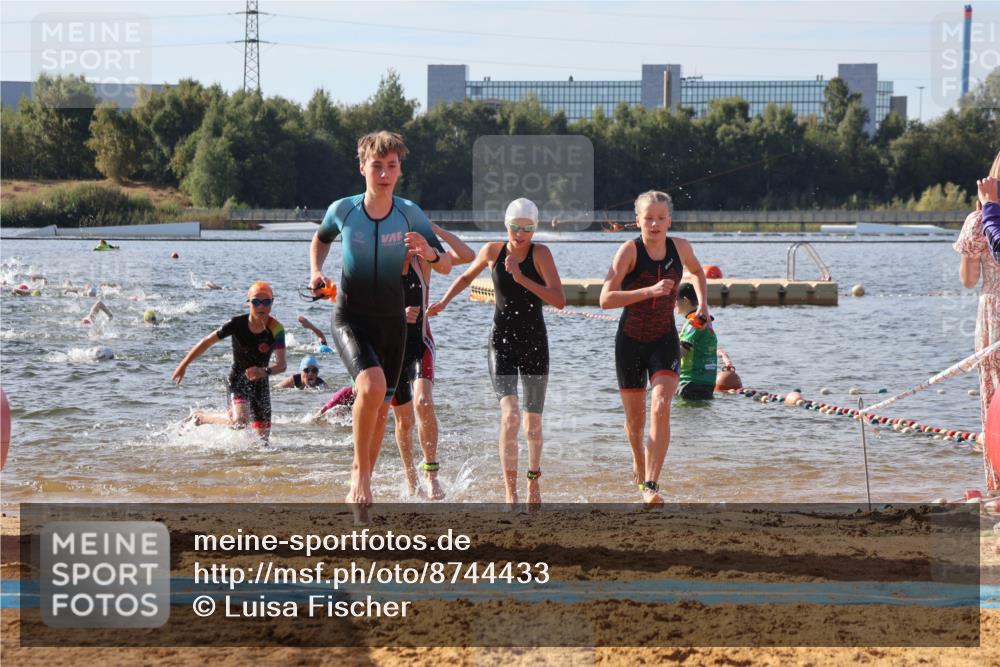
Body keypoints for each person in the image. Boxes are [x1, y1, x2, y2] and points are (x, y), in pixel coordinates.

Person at [309, 130, 452, 506]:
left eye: (391, 166)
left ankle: (363, 488)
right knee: (371, 388)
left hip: (393, 325)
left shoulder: (409, 213)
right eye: (377, 166)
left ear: (399, 169)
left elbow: (448, 263)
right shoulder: (343, 210)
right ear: (362, 168)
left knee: (379, 410)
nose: (384, 174)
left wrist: (430, 254)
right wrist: (316, 271)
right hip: (350, 317)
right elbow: (321, 239)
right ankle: (359, 474)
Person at [428, 198, 564, 506]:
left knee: (532, 424)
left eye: (527, 228)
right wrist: (444, 302)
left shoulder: (540, 254)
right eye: (515, 227)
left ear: (535, 228)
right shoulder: (492, 251)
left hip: (534, 343)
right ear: (507, 225)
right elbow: (465, 277)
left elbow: (559, 300)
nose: (520, 234)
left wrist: (521, 277)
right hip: (501, 341)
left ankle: (533, 483)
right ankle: (510, 491)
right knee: (510, 415)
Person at [599, 190, 708, 504]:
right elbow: (605, 299)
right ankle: (638, 458)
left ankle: (651, 484)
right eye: (648, 218)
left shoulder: (680, 247)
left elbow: (698, 272)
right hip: (630, 342)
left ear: (669, 220)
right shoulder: (629, 251)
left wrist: (702, 303)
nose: (655, 224)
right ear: (638, 221)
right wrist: (649, 291)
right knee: (635, 421)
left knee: (660, 406)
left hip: (664, 340)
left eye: (661, 218)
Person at [390, 221, 475, 499]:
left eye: (408, 241)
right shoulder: (380, 269)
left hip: (420, 343)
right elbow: (364, 310)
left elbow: (467, 256)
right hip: (390, 348)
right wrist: (397, 316)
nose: (405, 248)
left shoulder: (422, 261)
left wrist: (435, 232)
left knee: (423, 402)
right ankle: (410, 478)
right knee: (403, 421)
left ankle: (431, 474)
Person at [172, 281, 286, 442]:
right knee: (239, 422)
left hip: (261, 382)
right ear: (249, 303)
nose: (261, 306)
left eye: (266, 302)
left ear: (272, 303)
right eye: (256, 302)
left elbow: (282, 365)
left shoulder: (277, 329)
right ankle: (200, 417)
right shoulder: (236, 324)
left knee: (263, 442)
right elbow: (206, 342)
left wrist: (264, 371)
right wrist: (183, 365)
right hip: (238, 378)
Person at [956, 152, 1000, 490]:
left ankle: (997, 488)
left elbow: (969, 280)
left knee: (992, 402)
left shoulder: (977, 221)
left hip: (993, 316)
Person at [674, 283, 718, 401]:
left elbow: (683, 350)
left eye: (675, 299)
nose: (673, 304)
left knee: (683, 417)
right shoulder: (706, 319)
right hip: (708, 381)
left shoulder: (694, 321)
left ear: (685, 300)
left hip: (691, 382)